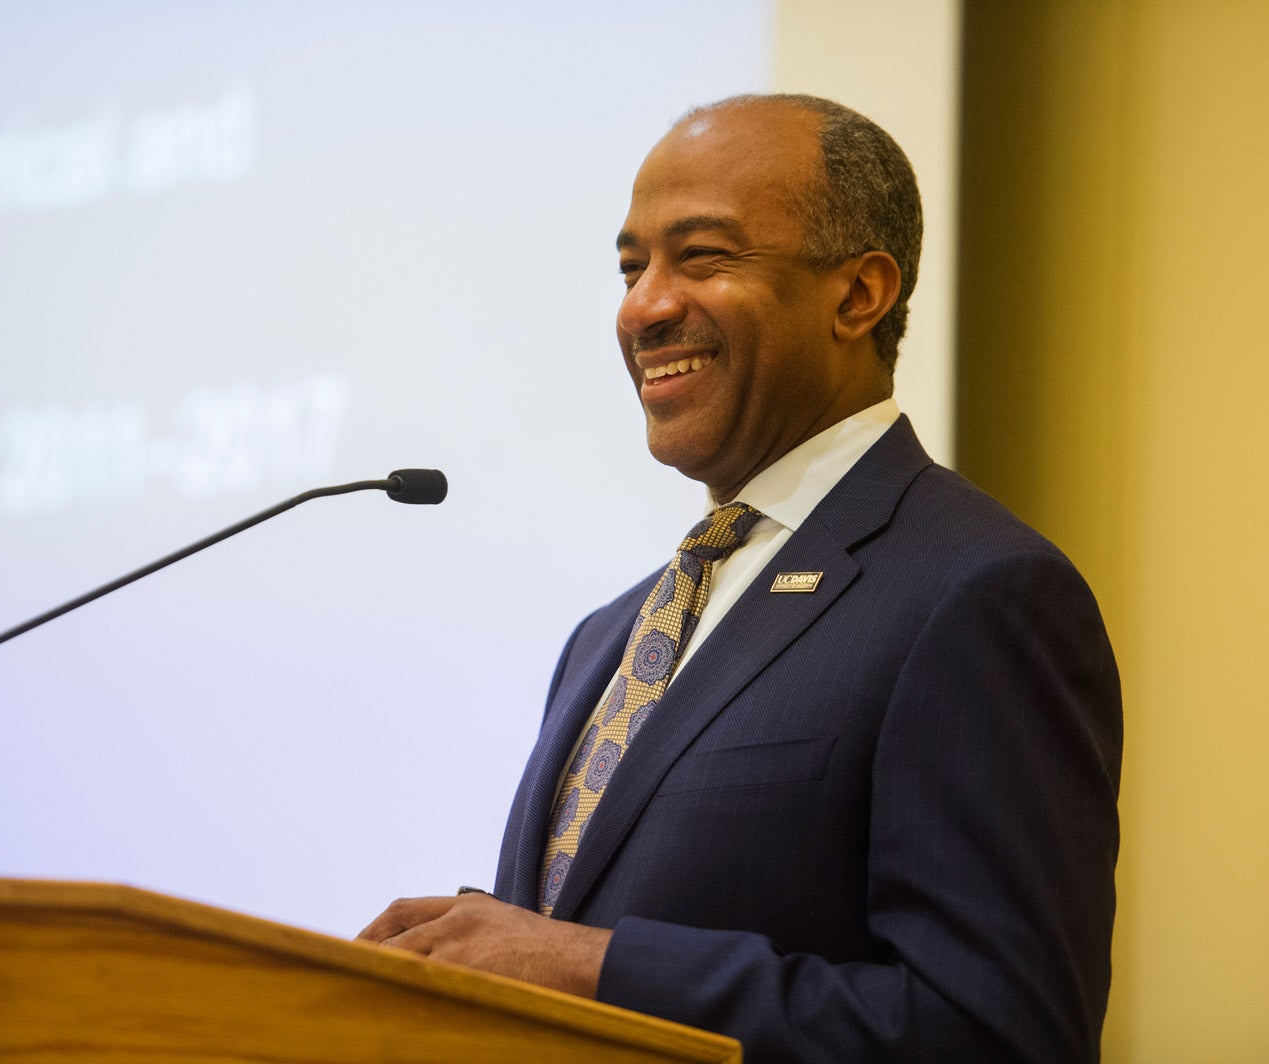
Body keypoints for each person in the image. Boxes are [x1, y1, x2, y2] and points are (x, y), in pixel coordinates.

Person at [358, 94, 1121, 1063]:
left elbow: (1002, 1033)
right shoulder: (609, 634)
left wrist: (597, 965)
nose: (644, 306)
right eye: (632, 267)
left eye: (702, 257)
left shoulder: (976, 593)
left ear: (858, 295)